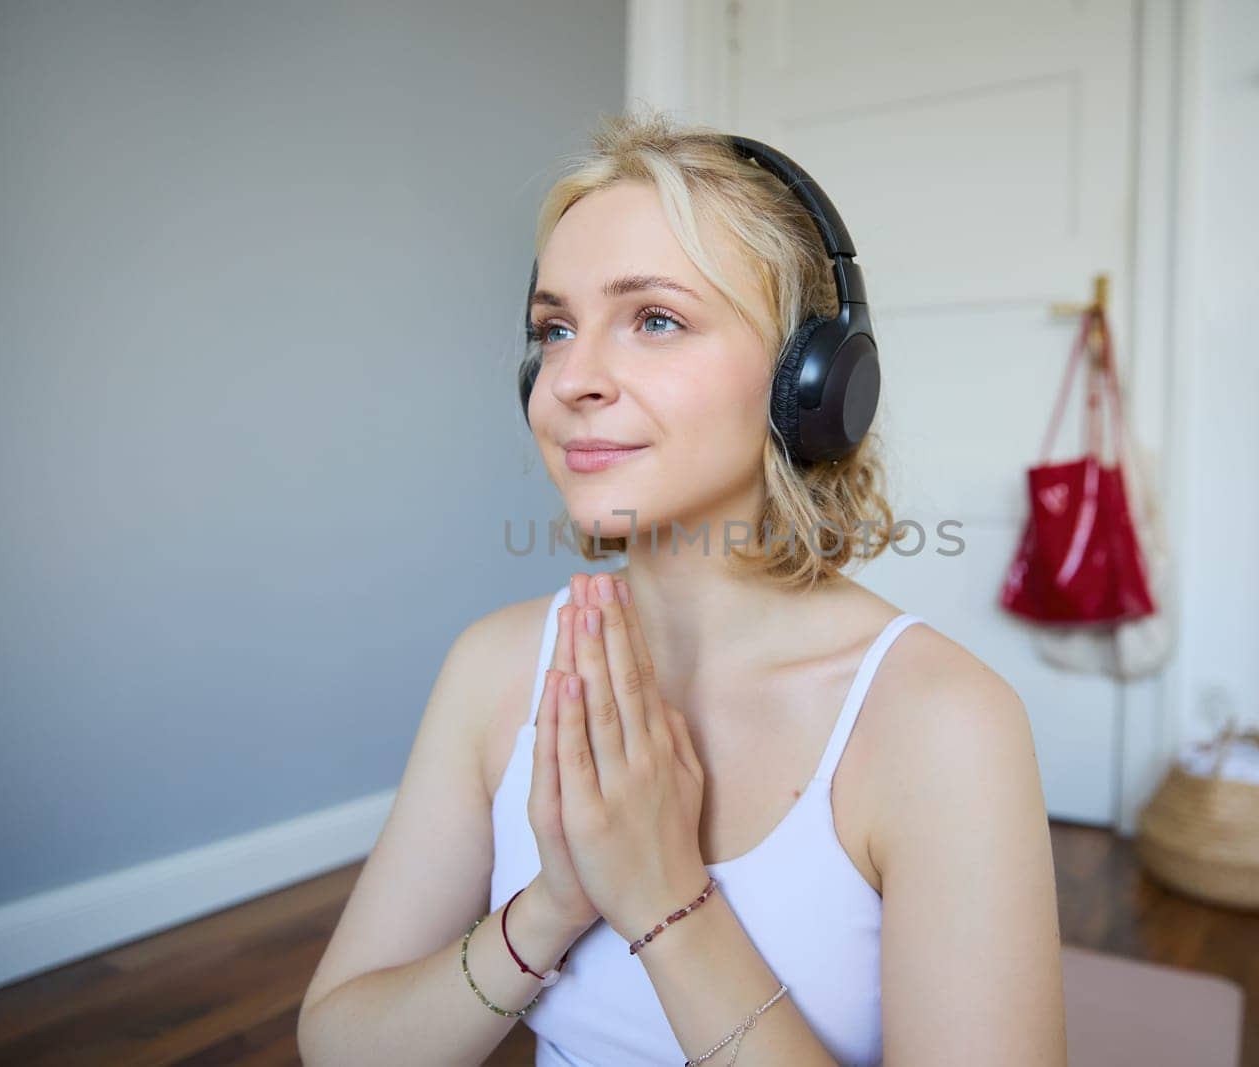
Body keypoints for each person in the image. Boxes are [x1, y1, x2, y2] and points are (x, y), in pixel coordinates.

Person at [297, 108, 1065, 1066]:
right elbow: (340, 1041)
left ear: (810, 381)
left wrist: (663, 894)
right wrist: (549, 907)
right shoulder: (493, 670)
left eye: (654, 318)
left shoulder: (942, 722)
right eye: (555, 326)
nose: (572, 375)